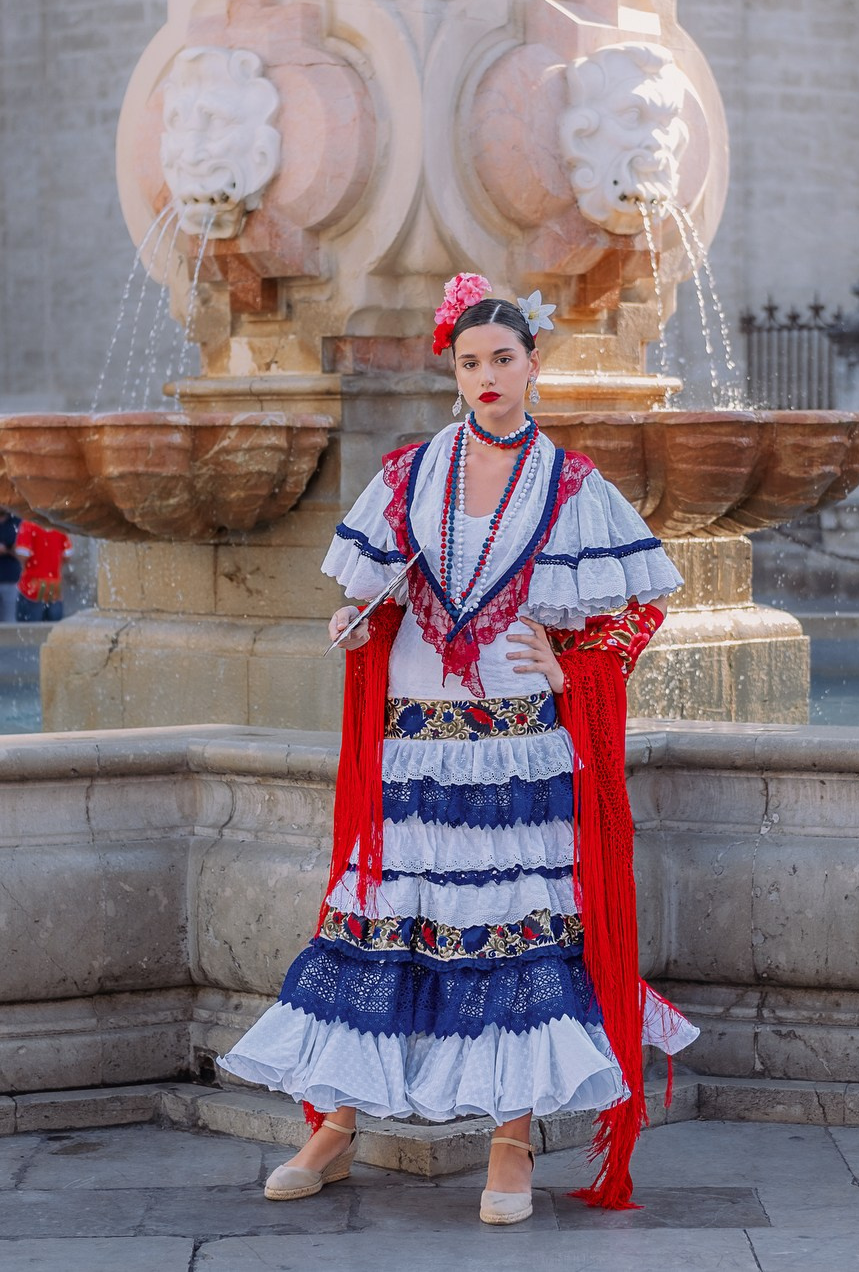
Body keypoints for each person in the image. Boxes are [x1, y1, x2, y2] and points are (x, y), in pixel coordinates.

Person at [218, 274, 699, 1222]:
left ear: (532, 365)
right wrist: (356, 622)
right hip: (413, 737)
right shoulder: (409, 474)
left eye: (503, 359)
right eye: (470, 361)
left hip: (517, 745)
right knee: (381, 921)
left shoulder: (572, 483)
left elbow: (639, 609)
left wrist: (570, 664)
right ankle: (336, 1125)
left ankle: (510, 1143)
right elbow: (370, 591)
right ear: (454, 371)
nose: (487, 375)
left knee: (517, 928)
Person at [14, 520, 72, 622]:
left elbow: (23, 554)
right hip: (53, 584)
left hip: (32, 585)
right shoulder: (58, 525)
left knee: (29, 628)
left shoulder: (29, 524)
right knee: (52, 626)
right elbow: (67, 555)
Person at [0, 509, 21, 623]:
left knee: (9, 621)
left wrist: (7, 550)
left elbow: (22, 549)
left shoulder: (17, 521)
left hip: (11, 579)